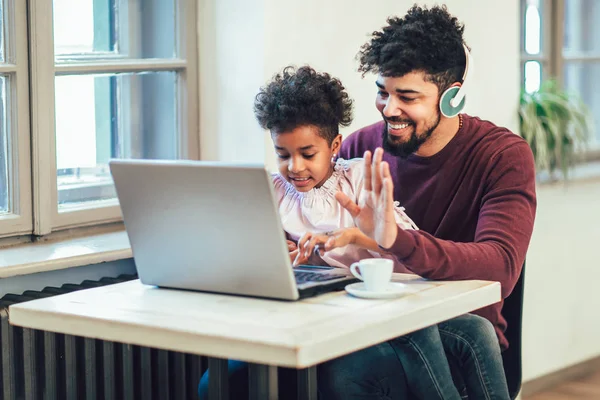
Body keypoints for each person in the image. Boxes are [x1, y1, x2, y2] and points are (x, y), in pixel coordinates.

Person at [198, 65, 513, 399]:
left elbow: (410, 256)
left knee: (476, 330)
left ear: (335, 145)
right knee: (419, 334)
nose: (295, 166)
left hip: (378, 305)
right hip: (325, 317)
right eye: (282, 154)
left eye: (308, 154)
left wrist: (358, 238)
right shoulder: (271, 192)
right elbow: (253, 261)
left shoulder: (360, 180)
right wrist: (279, 256)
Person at [323, 3, 536, 399]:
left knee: (341, 378)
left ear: (452, 97)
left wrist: (395, 238)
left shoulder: (503, 155)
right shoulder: (359, 149)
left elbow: (500, 266)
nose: (390, 109)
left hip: (456, 340)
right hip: (368, 327)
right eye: (382, 92)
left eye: (407, 96)